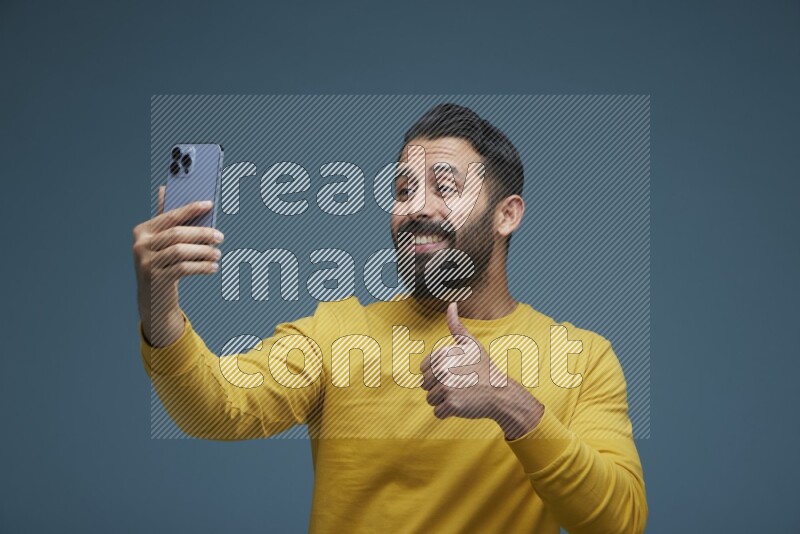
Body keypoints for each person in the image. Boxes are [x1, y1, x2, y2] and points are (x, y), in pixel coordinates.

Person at [133, 103, 648, 533]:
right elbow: (215, 410)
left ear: (506, 214)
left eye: (445, 187)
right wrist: (159, 300)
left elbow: (619, 522)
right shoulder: (337, 334)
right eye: (403, 191)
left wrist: (510, 405)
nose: (415, 208)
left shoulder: (583, 358)